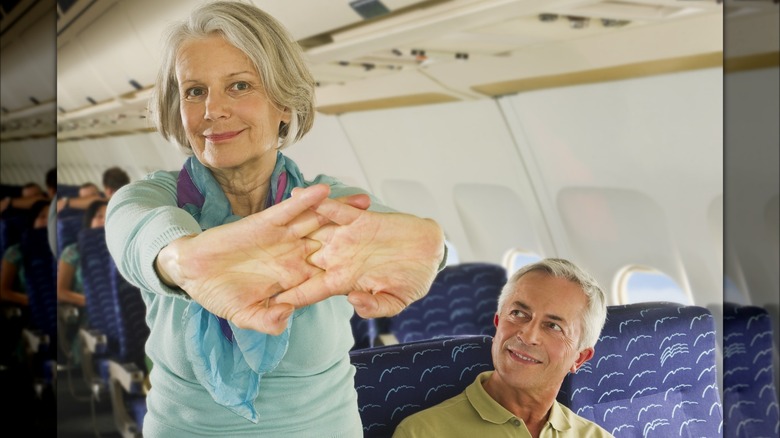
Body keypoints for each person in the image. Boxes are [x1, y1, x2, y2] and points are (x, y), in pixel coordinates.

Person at [103, 2, 445, 436]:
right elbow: (141, 236)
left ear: (284, 104)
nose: (212, 109)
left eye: (240, 85)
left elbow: (407, 245)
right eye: (194, 91)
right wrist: (184, 263)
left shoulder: (333, 205)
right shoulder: (151, 199)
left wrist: (437, 248)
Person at [393, 258, 612, 438]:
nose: (528, 335)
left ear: (580, 358)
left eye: (553, 326)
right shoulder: (422, 433)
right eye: (518, 313)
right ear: (498, 323)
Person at [56, 200, 108, 364]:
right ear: (89, 221)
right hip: (90, 318)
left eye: (109, 217)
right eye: (99, 216)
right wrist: (92, 303)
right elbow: (60, 292)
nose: (105, 221)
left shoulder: (124, 252)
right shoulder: (73, 251)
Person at [0, 200, 50, 307]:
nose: (48, 222)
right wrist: (34, 302)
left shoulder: (64, 250)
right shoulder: (16, 251)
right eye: (42, 217)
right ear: (33, 221)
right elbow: (3, 291)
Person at [57, 166, 130, 212]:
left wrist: (66, 201)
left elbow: (96, 200)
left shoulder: (108, 206)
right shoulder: (134, 200)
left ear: (109, 190)